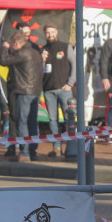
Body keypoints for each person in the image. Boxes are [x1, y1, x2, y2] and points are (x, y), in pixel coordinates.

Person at [0, 30, 44, 161]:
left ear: (17, 43)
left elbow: (3, 61)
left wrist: (4, 47)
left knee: (22, 122)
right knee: (32, 122)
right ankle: (32, 151)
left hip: (23, 90)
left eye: (12, 45)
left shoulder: (21, 52)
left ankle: (24, 152)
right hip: (35, 91)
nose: (12, 47)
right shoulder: (36, 52)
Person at [41, 24, 75, 157]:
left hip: (64, 89)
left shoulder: (66, 47)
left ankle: (70, 147)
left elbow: (74, 65)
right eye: (47, 33)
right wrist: (42, 60)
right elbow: (38, 71)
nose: (50, 35)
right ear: (45, 34)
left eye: (52, 32)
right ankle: (56, 147)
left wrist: (70, 83)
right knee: (52, 120)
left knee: (68, 118)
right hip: (49, 90)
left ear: (56, 32)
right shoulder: (43, 49)